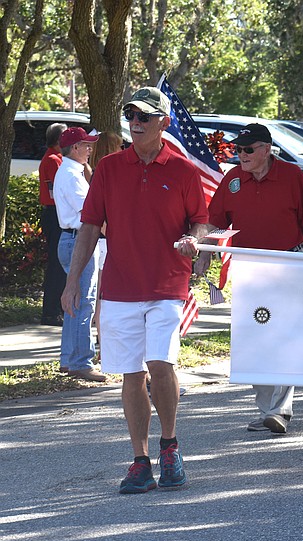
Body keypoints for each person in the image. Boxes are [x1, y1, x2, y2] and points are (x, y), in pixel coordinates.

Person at [61, 87, 208, 494]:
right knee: (131, 375)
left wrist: (194, 240)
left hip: (167, 284)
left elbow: (200, 220)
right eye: (131, 115)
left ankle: (170, 447)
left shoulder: (182, 170)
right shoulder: (109, 168)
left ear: (163, 121)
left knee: (161, 364)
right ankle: (140, 460)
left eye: (145, 115)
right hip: (120, 287)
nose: (136, 122)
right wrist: (73, 281)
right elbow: (90, 225)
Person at [195, 123, 303, 435]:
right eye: (239, 150)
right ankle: (266, 408)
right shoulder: (233, 179)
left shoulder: (291, 175)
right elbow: (216, 222)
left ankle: (279, 409)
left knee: (281, 335)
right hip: (248, 268)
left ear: (266, 149)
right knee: (255, 336)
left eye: (248, 149)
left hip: (286, 264)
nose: (242, 155)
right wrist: (205, 254)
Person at [54, 127, 105, 382]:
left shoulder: (71, 171)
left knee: (75, 302)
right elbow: (90, 213)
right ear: (74, 148)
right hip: (78, 241)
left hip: (73, 240)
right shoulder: (72, 175)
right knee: (82, 301)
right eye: (86, 145)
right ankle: (80, 362)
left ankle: (70, 359)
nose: (90, 149)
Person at [89, 131, 124, 337]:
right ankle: (103, 341)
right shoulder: (103, 173)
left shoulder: (100, 172)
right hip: (106, 241)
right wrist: (115, 236)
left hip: (109, 240)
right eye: (119, 146)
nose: (122, 150)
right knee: (103, 294)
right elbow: (97, 215)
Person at [38, 122, 68, 327]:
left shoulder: (58, 158)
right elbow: (59, 189)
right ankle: (50, 312)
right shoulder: (52, 160)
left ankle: (57, 309)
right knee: (57, 266)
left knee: (61, 266)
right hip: (54, 215)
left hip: (57, 215)